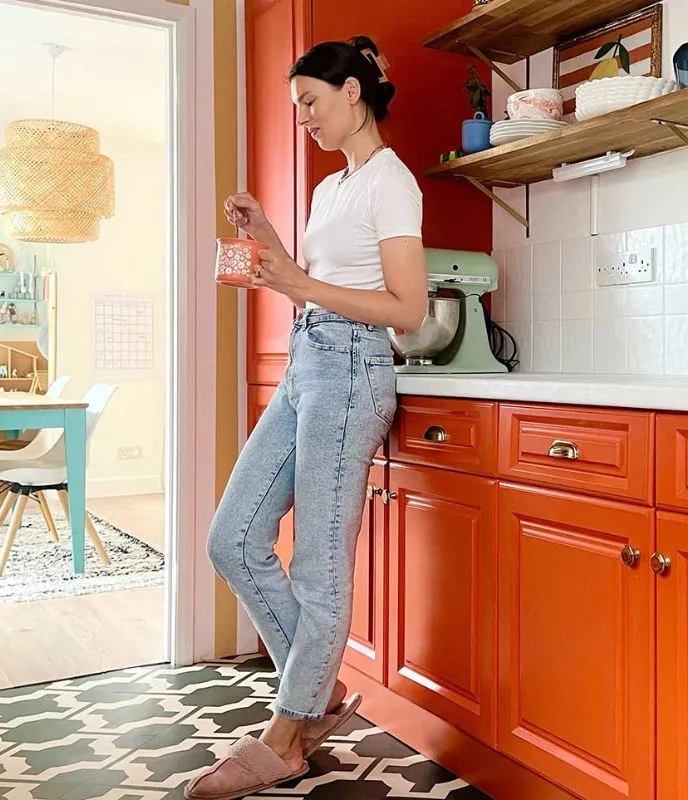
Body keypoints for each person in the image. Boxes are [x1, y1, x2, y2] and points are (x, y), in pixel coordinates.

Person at [186, 35, 428, 800]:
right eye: (297, 107)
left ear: (353, 92)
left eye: (310, 103)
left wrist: (297, 280)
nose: (303, 119)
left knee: (319, 570)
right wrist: (266, 241)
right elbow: (309, 285)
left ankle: (285, 736)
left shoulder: (393, 182)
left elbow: (409, 311)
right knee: (232, 536)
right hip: (308, 363)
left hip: (356, 370)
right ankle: (316, 697)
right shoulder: (332, 189)